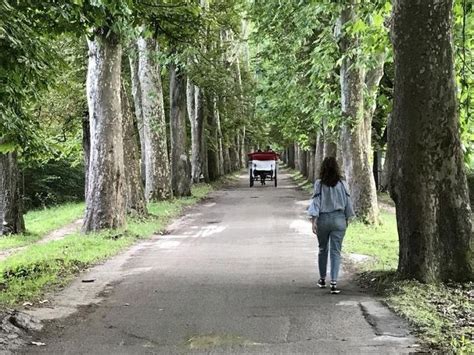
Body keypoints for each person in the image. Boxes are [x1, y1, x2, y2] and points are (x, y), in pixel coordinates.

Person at [308, 157, 355, 294]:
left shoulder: (319, 184)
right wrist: (347, 218)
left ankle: (322, 279)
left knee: (323, 249)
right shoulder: (343, 184)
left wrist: (313, 220)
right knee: (336, 251)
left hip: (323, 219)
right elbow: (348, 203)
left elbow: (316, 202)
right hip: (339, 219)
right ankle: (334, 282)